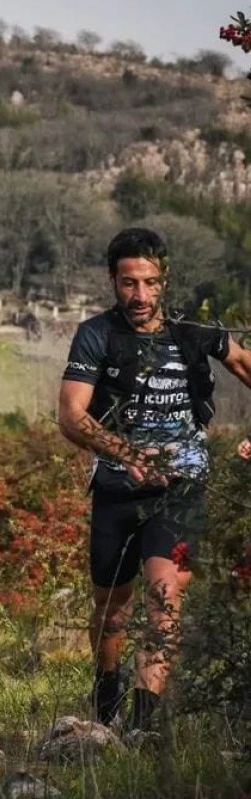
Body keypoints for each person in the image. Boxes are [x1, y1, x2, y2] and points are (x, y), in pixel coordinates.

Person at [58, 227, 251, 743]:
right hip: (117, 489)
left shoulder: (194, 335)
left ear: (164, 281)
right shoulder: (97, 335)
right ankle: (107, 691)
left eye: (149, 282)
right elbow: (71, 416)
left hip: (182, 485)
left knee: (165, 596)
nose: (139, 296)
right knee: (111, 607)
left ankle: (141, 728)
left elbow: (242, 361)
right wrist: (125, 453)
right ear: (113, 281)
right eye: (128, 283)